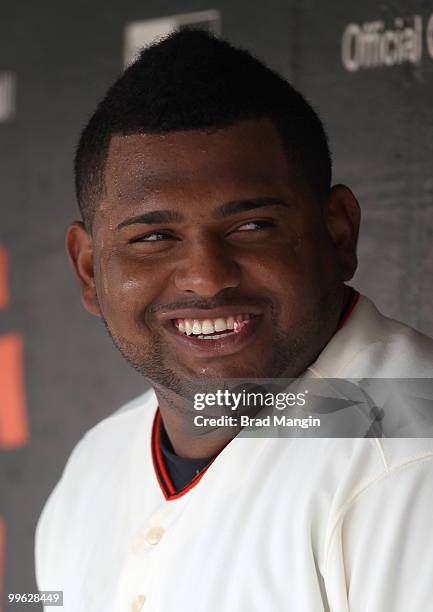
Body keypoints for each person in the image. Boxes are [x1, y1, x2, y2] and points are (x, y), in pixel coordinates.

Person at [35, 29, 433, 611]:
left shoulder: (410, 458)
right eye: (154, 237)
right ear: (90, 270)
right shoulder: (95, 466)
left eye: (251, 227)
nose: (206, 275)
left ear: (337, 232)